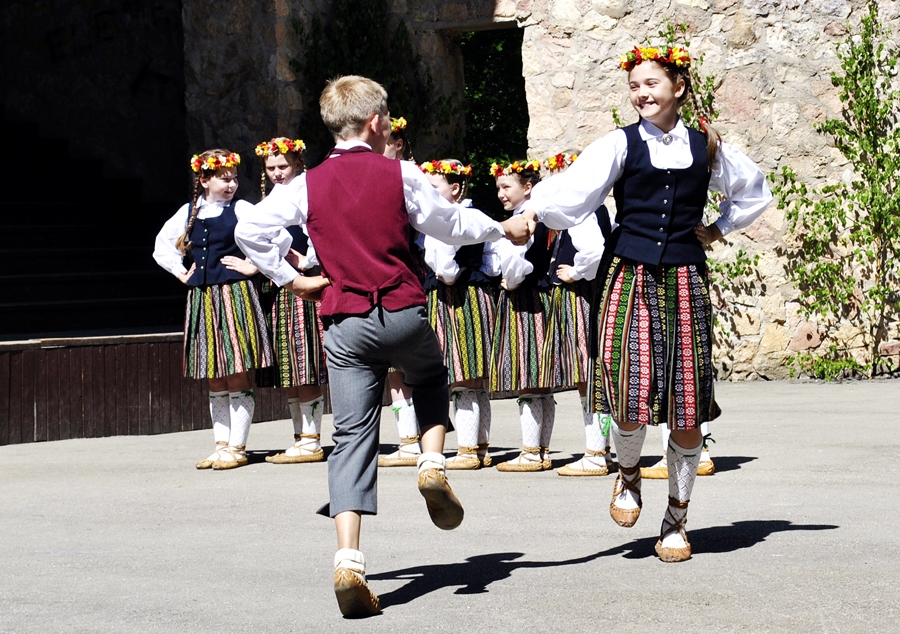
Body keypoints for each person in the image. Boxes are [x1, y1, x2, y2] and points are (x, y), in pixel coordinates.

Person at [234, 75, 533, 617]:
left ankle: (348, 559)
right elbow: (452, 222)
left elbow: (249, 231)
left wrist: (290, 278)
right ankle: (432, 461)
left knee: (351, 437)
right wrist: (503, 228)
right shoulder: (402, 174)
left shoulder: (305, 185)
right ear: (376, 122)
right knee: (430, 378)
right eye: (388, 118)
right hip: (400, 310)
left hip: (344, 321)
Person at [524, 45, 772, 561]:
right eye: (634, 85)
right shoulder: (620, 144)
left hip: (685, 278)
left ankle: (677, 519)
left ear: (677, 87)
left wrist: (717, 228)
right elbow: (573, 196)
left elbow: (752, 192)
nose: (641, 93)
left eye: (651, 83)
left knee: (686, 403)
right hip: (629, 276)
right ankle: (629, 476)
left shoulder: (707, 146)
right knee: (630, 398)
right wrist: (534, 211)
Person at [153, 149, 273, 470]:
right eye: (224, 178)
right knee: (213, 374)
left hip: (234, 295)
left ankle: (239, 445)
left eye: (234, 178)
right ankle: (221, 445)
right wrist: (181, 272)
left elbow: (272, 237)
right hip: (203, 299)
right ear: (204, 179)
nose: (232, 184)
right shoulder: (189, 212)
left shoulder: (242, 209)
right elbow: (162, 245)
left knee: (236, 370)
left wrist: (252, 265)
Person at [537, 153, 614, 477]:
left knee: (589, 373)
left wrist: (575, 273)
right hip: (586, 294)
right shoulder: (589, 208)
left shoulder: (582, 210)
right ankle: (600, 451)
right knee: (589, 373)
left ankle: (597, 453)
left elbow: (596, 251)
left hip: (583, 297)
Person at [420, 159, 499, 469]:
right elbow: (494, 260)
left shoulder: (446, 220)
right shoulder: (477, 214)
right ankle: (480, 447)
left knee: (461, 374)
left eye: (434, 187)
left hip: (455, 297)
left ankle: (467, 450)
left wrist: (450, 274)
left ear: (453, 188)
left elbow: (444, 266)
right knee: (476, 378)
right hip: (479, 295)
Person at [253, 137, 328, 464]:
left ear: (298, 163)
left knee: (305, 360)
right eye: (271, 168)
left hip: (305, 286)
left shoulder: (305, 192)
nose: (276, 173)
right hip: (281, 288)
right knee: (289, 362)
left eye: (282, 166)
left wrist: (306, 260)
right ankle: (300, 437)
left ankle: (312, 439)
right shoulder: (271, 198)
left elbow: (319, 233)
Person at [489, 160, 558, 472]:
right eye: (499, 188)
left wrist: (509, 280)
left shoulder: (522, 220)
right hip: (542, 294)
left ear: (527, 187)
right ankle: (540, 449)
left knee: (529, 374)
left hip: (525, 297)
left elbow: (516, 264)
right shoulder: (541, 215)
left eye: (507, 187)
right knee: (540, 378)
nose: (501, 193)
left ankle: (532, 452)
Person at [378, 116, 425, 467]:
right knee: (393, 365)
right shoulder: (374, 176)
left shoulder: (411, 176)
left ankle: (421, 436)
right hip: (385, 275)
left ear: (399, 144)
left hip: (410, 273)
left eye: (387, 143)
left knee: (412, 361)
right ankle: (407, 438)